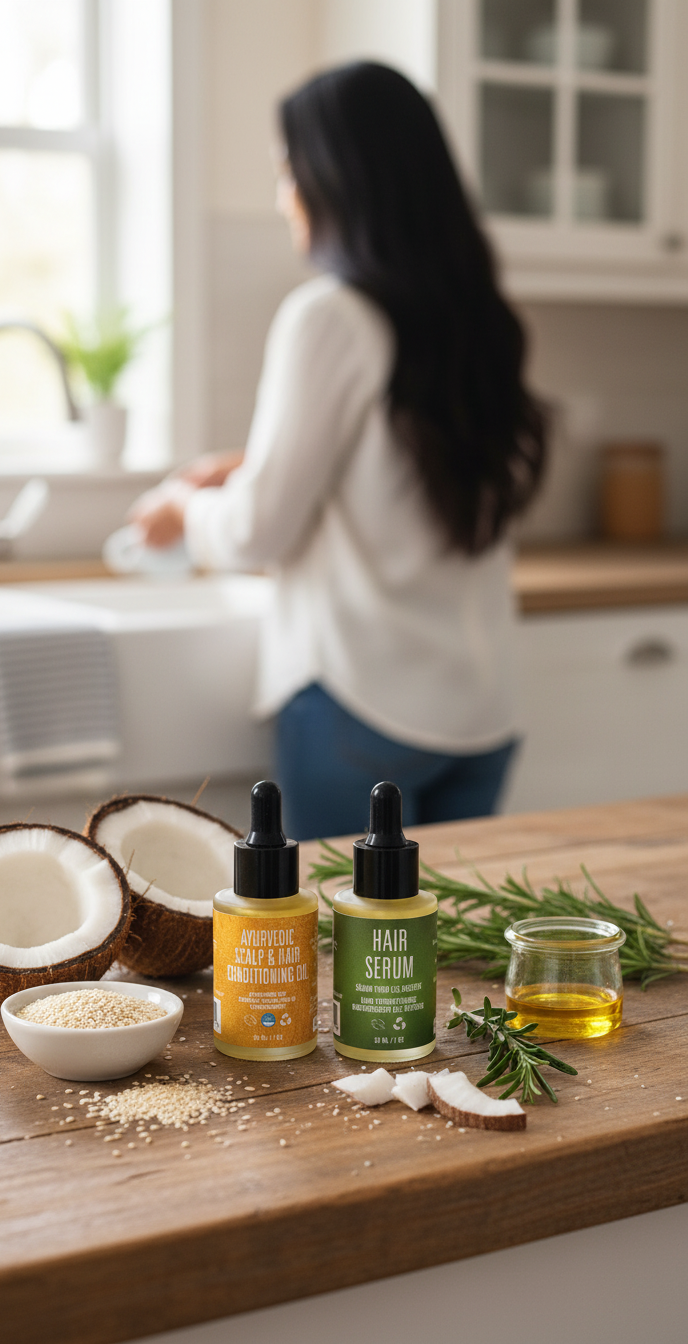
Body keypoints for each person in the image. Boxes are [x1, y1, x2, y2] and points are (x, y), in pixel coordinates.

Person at [130, 62, 547, 841]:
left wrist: (186, 508)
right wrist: (246, 466)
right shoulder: (482, 320)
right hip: (482, 713)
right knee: (447, 952)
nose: (281, 196)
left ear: (334, 179)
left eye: (288, 171)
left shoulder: (329, 314)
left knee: (343, 951)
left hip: (363, 705)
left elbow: (258, 532)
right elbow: (391, 477)